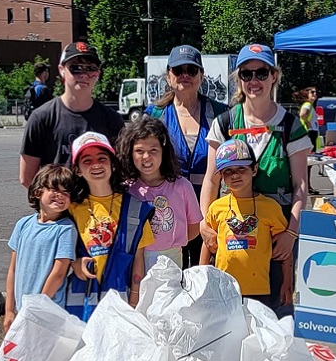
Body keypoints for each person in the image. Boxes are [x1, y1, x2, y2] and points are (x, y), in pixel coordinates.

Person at [200, 43, 309, 312]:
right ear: (239, 78)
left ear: (274, 75)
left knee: (276, 314)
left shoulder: (290, 126)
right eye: (246, 74)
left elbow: (301, 186)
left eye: (261, 73)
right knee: (227, 314)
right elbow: (212, 180)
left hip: (276, 236)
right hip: (234, 236)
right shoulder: (224, 123)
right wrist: (206, 224)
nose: (254, 80)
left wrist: (291, 233)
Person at [146, 45, 228, 268]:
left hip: (211, 208)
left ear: (201, 75)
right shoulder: (154, 114)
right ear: (168, 76)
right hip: (167, 211)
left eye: (191, 70)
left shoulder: (221, 114)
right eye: (178, 70)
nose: (185, 75)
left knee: (205, 277)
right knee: (171, 276)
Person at [66, 132, 154, 319]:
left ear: (113, 164)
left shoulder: (135, 208)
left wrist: (135, 298)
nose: (96, 164)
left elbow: (139, 258)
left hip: (119, 306)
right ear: (78, 170)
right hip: (79, 308)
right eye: (87, 160)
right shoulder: (70, 209)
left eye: (102, 158)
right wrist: (74, 262)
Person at [20, 42, 124, 188]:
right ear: (61, 70)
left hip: (100, 207)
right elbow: (27, 177)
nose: (84, 75)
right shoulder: (41, 117)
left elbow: (121, 170)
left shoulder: (112, 119)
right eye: (76, 68)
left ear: (98, 74)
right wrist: (54, 201)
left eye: (91, 69)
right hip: (60, 207)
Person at [203, 139, 292, 307]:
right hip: (224, 288)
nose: (235, 175)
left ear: (254, 169)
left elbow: (284, 251)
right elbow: (208, 243)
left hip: (259, 291)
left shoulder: (270, 208)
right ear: (221, 176)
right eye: (228, 171)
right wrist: (201, 276)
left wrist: (287, 282)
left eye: (241, 169)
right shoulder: (216, 208)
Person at [117, 117, 203, 270]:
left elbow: (194, 227)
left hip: (172, 258)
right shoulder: (126, 190)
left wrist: (170, 242)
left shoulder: (182, 186)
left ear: (164, 151)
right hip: (135, 259)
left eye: (153, 150)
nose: (146, 157)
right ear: (130, 152)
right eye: (139, 151)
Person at [4, 164, 77, 332]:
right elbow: (13, 270)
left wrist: (39, 307)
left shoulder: (65, 228)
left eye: (66, 192)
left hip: (48, 312)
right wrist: (9, 310)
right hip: (23, 310)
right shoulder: (23, 225)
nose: (60, 196)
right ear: (37, 192)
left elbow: (59, 273)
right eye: (54, 190)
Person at [295, 86, 322, 195]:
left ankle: (307, 186)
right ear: (307, 94)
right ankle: (306, 186)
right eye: (312, 92)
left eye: (316, 92)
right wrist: (307, 123)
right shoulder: (307, 105)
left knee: (309, 163)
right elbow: (302, 114)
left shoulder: (310, 105)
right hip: (309, 134)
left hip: (311, 134)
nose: (315, 94)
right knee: (308, 162)